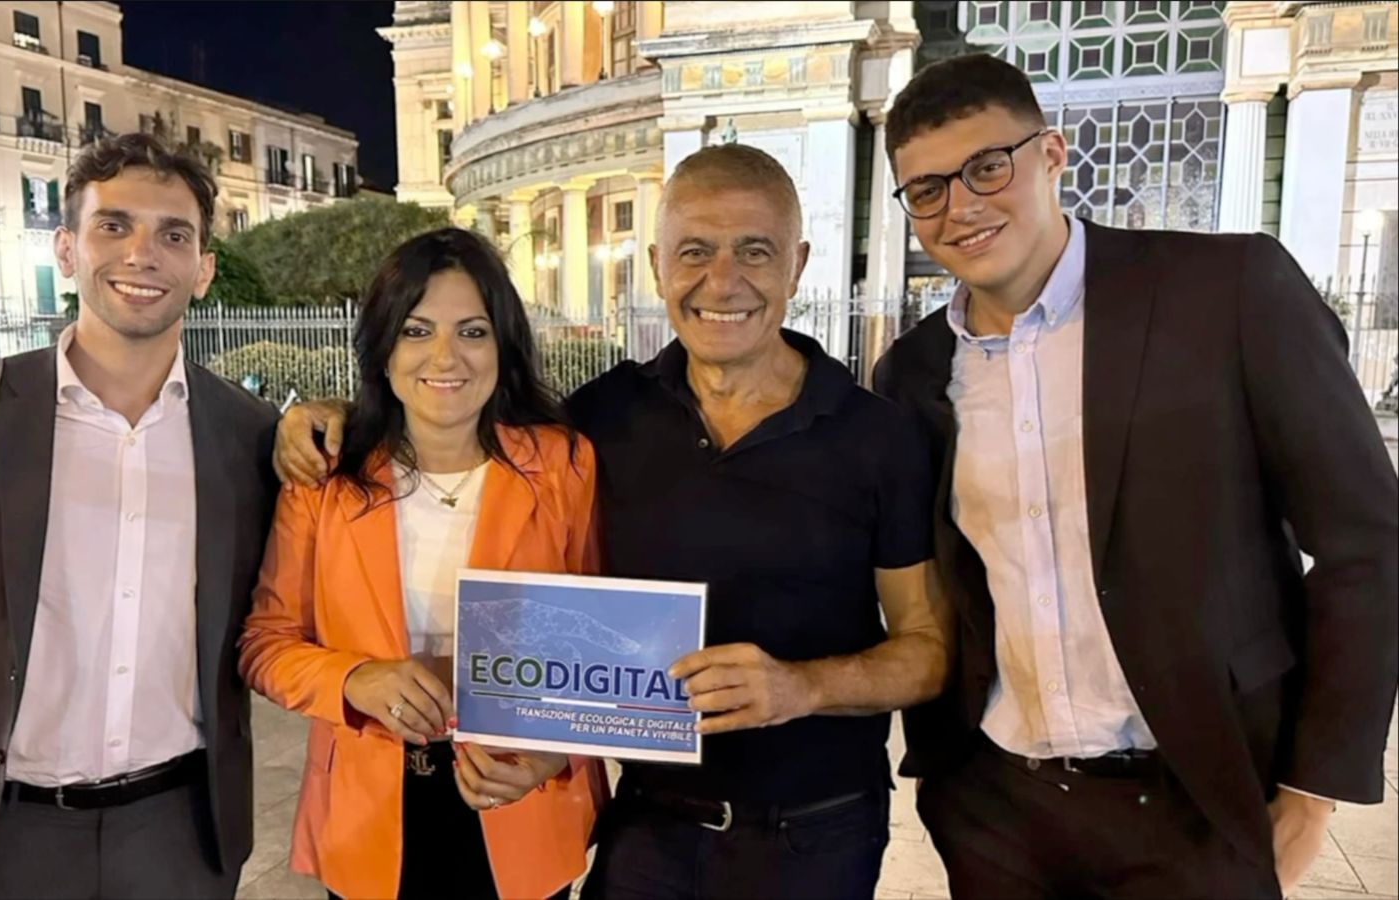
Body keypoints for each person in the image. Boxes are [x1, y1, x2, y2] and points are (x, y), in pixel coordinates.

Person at [274, 145, 951, 899]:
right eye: (695, 251)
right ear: (657, 266)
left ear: (797, 265)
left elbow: (927, 650)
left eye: (755, 251)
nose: (722, 280)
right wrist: (330, 419)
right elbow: (458, 423)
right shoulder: (601, 421)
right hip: (649, 825)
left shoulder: (877, 436)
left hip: (815, 831)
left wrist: (801, 687)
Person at [871, 53, 1399, 899]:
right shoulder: (913, 372)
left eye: (987, 166)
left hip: (1198, 801)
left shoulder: (1227, 293)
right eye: (927, 189)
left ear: (1052, 155)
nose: (959, 206)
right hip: (1001, 810)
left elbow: (1368, 544)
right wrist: (949, 783)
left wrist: (1313, 790)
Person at [0, 133, 278, 899]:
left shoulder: (248, 433)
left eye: (174, 235)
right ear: (66, 250)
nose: (142, 254)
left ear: (203, 271)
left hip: (179, 832)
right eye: (113, 226)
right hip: (4, 833)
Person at [239, 227, 607, 900]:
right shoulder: (325, 477)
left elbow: (600, 644)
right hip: (367, 809)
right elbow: (267, 643)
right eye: (416, 331)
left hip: (518, 794)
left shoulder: (563, 466)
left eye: (472, 331)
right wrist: (354, 679)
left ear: (503, 346)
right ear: (383, 349)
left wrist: (556, 750)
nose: (445, 356)